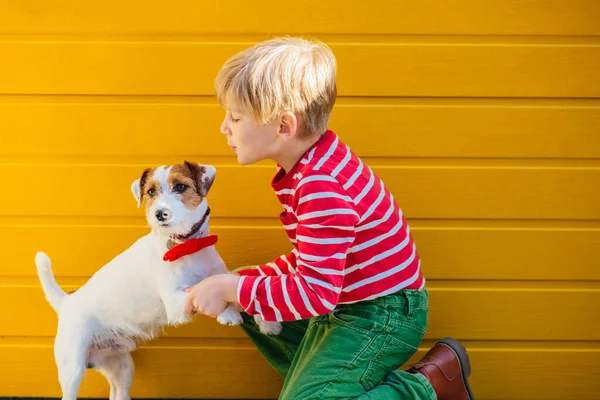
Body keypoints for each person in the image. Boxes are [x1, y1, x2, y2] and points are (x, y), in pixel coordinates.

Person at [184, 37, 474, 400]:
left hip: (378, 316)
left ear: (284, 127)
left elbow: (316, 293)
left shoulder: (322, 186)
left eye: (236, 117)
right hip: (347, 301)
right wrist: (239, 283)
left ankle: (425, 388)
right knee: (245, 290)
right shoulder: (312, 164)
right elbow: (314, 260)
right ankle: (318, 384)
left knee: (242, 293)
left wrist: (229, 288)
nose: (224, 127)